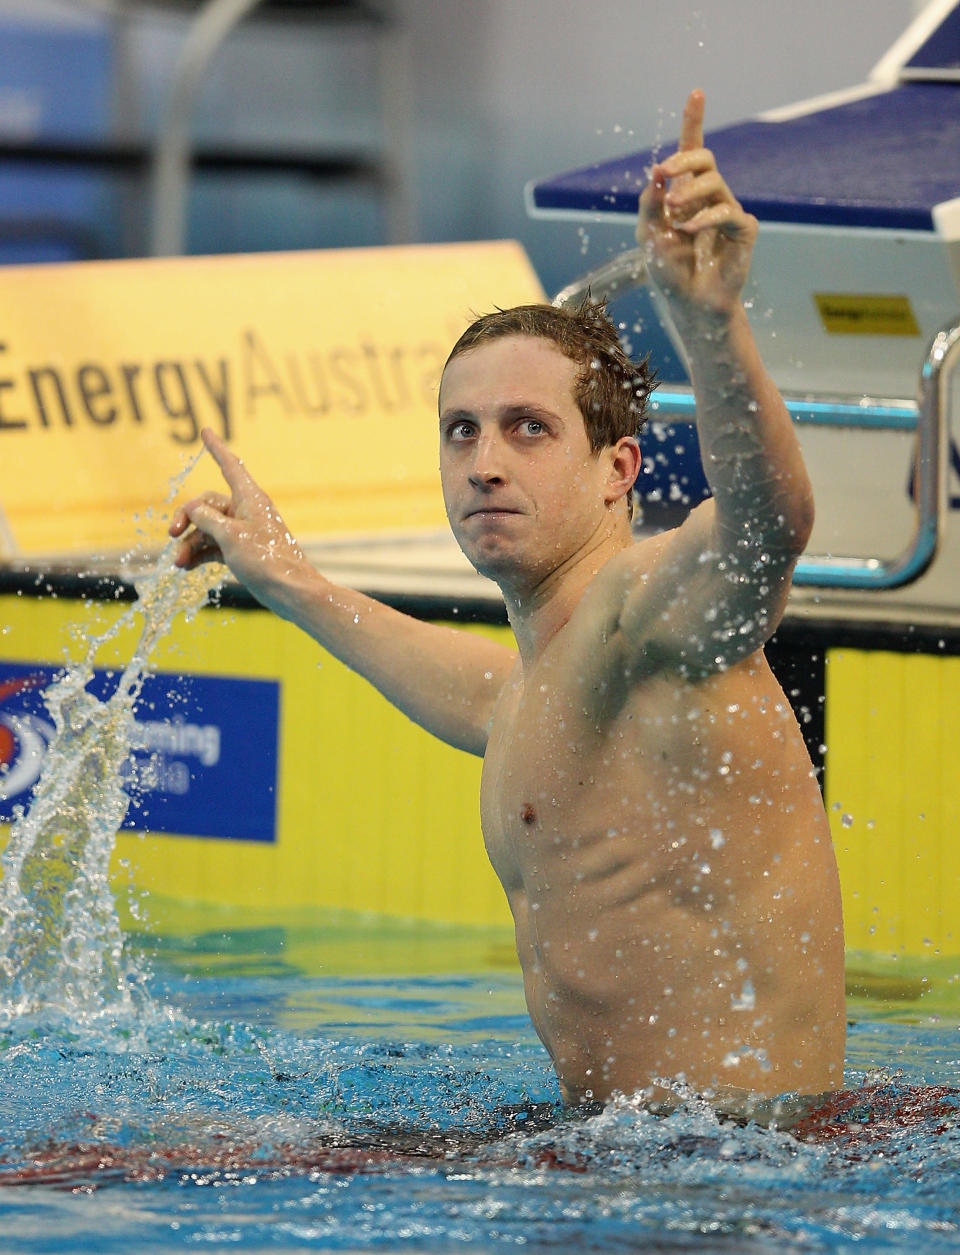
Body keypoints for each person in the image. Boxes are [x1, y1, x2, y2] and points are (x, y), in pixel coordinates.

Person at [170, 90, 845, 1114]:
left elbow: (767, 524)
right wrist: (285, 576)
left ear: (619, 468)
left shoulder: (646, 619)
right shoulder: (545, 680)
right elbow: (465, 684)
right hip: (628, 1161)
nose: (485, 462)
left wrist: (711, 326)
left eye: (528, 429)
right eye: (461, 431)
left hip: (732, 1185)